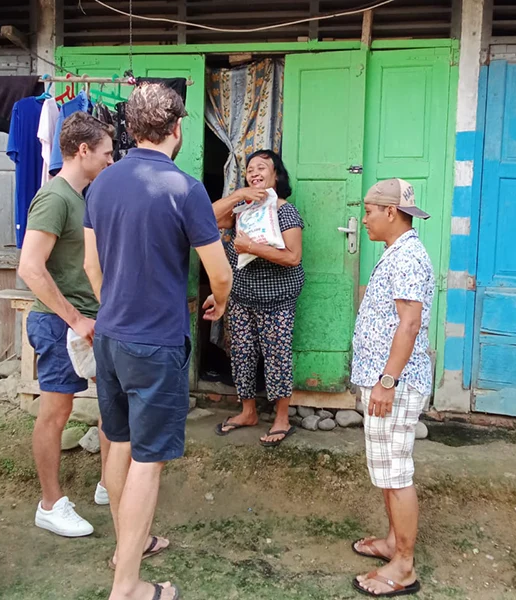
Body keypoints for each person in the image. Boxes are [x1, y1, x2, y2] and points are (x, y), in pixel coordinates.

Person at [84, 83, 232, 600]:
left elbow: (91, 266)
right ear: (178, 128)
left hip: (111, 336)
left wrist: (115, 307)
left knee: (119, 444)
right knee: (149, 458)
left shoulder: (100, 184)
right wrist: (219, 303)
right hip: (156, 342)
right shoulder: (185, 188)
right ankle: (128, 587)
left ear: (130, 128)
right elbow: (221, 272)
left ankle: (133, 546)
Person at [18, 112, 114, 537]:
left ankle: (110, 483)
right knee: (56, 413)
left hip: (90, 322)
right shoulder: (55, 198)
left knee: (115, 404)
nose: (112, 161)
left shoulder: (86, 196)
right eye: (107, 153)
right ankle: (50, 504)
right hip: (59, 324)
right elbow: (30, 267)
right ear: (83, 151)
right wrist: (74, 318)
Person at [350, 178, 435, 597]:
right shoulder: (397, 252)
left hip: (394, 385)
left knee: (396, 473)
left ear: (390, 212)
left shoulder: (407, 258)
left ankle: (403, 565)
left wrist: (386, 381)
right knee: (386, 468)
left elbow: (410, 323)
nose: (363, 219)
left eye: (368, 211)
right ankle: (391, 543)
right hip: (387, 381)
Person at [213, 150, 304, 447]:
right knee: (242, 354)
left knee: (277, 357)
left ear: (276, 175)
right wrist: (239, 194)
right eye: (250, 169)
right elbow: (208, 217)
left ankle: (281, 419)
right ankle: (248, 412)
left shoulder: (284, 212)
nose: (254, 172)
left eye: (262, 168)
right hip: (242, 296)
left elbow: (292, 257)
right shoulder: (242, 210)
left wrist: (251, 246)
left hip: (277, 299)